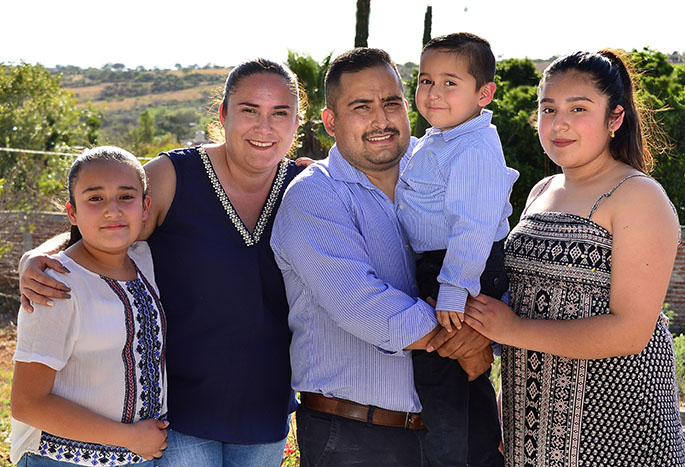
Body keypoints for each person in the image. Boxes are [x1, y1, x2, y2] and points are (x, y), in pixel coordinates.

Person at [18, 59, 306, 467]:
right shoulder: (174, 176)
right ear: (223, 115)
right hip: (179, 415)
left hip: (265, 409)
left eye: (280, 113)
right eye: (249, 110)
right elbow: (108, 224)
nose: (265, 126)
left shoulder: (305, 187)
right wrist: (39, 256)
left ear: (297, 122)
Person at [270, 47, 495, 467]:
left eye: (391, 103)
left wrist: (487, 329)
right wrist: (466, 337)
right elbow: (367, 309)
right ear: (331, 122)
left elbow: (486, 246)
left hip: (453, 429)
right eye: (361, 107)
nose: (381, 120)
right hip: (357, 438)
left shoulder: (443, 167)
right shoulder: (314, 196)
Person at [463, 50, 685, 466]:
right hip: (532, 430)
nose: (558, 123)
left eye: (578, 109)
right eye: (548, 109)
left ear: (614, 118)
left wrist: (512, 329)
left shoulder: (639, 195)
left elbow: (631, 333)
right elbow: (527, 302)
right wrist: (506, 405)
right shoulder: (540, 191)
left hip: (617, 431)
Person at [395, 32, 518, 467]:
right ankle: (481, 457)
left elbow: (473, 226)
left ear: (484, 94)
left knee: (439, 376)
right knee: (463, 373)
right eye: (425, 80)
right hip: (447, 265)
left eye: (450, 83)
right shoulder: (441, 139)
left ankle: (454, 460)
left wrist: (453, 288)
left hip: (461, 266)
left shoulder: (475, 147)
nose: (433, 93)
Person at [10, 146, 168, 466]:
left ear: (145, 207)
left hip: (139, 458)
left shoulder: (144, 260)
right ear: (72, 213)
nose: (112, 210)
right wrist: (130, 438)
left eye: (126, 196)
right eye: (95, 198)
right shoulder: (54, 286)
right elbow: (27, 404)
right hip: (61, 460)